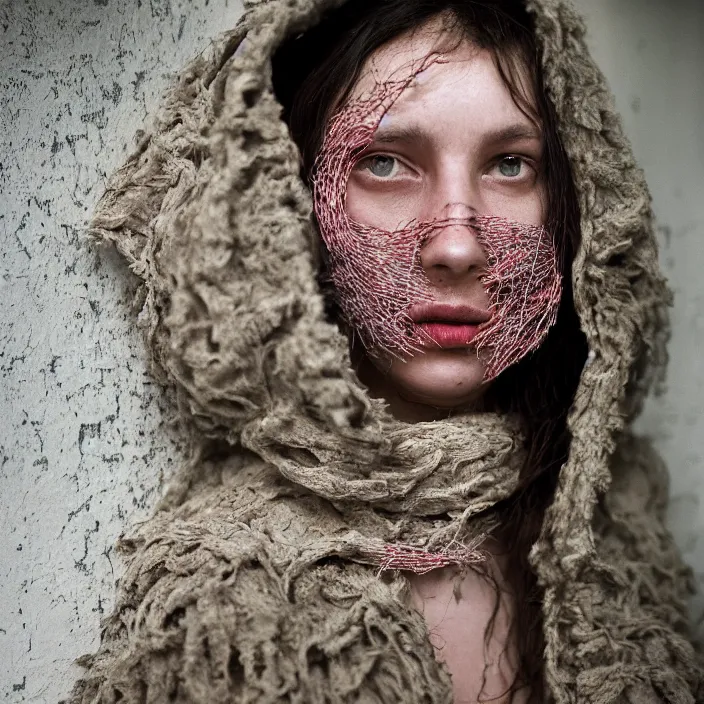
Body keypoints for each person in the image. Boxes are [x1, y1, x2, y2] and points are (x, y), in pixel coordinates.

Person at [67, 0, 703, 702]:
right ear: (288, 204)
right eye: (385, 162)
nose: (458, 247)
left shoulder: (617, 537)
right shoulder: (228, 608)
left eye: (512, 165)